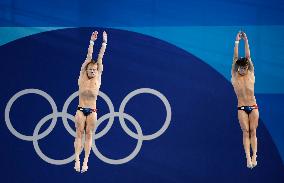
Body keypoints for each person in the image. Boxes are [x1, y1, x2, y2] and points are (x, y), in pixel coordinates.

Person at [74, 31, 107, 172]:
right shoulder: (82, 76)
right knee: (79, 133)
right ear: (86, 70)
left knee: (89, 134)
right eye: (91, 69)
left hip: (92, 111)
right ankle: (77, 160)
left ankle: (86, 161)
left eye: (95, 69)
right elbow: (89, 57)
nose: (93, 71)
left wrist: (104, 43)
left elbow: (100, 58)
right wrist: (92, 42)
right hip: (81, 109)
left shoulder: (97, 77)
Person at [231, 31, 259, 168]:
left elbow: (248, 56)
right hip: (241, 107)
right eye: (241, 68)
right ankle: (248, 158)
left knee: (253, 131)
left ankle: (255, 156)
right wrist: (237, 41)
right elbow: (236, 57)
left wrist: (246, 40)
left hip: (253, 106)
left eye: (245, 67)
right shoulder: (235, 75)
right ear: (238, 68)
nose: (243, 70)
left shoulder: (251, 74)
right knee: (246, 131)